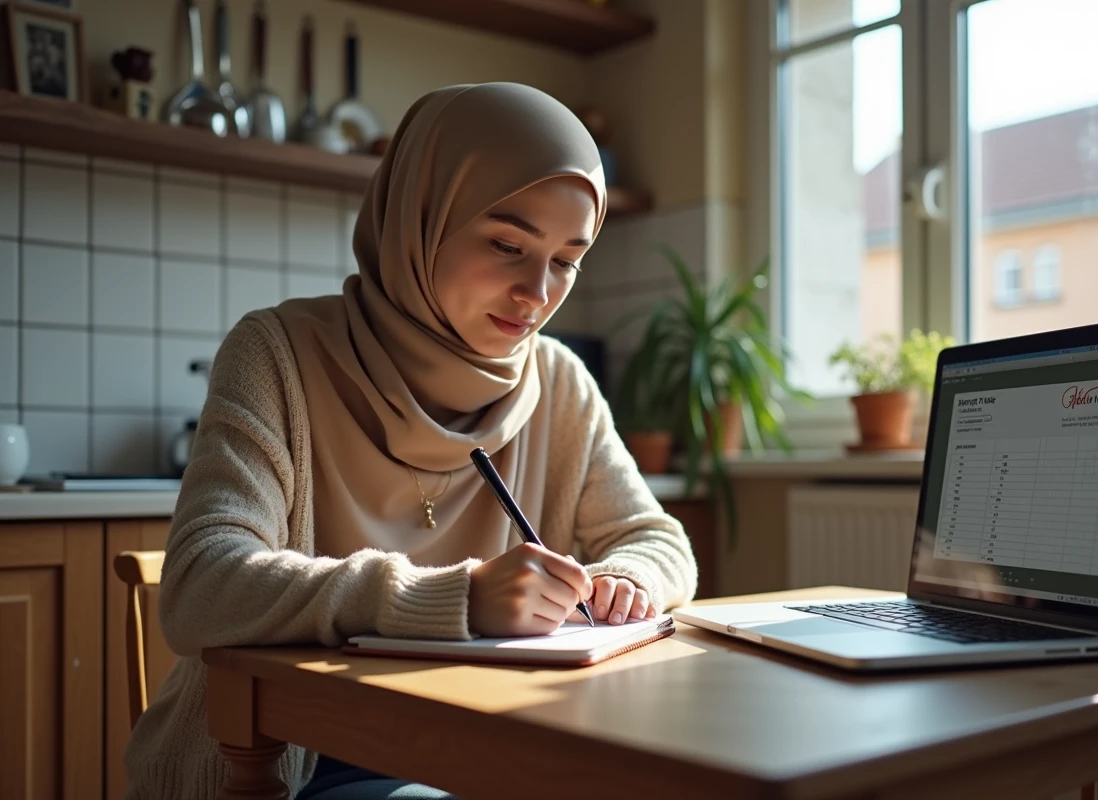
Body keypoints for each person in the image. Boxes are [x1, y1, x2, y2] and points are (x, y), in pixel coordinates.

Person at [122, 82, 699, 800]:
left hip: (484, 745)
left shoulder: (559, 380)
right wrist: (451, 599)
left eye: (566, 259)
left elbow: (658, 541)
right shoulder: (277, 352)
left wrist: (626, 584)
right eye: (507, 245)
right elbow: (199, 587)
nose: (538, 293)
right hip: (289, 762)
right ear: (421, 219)